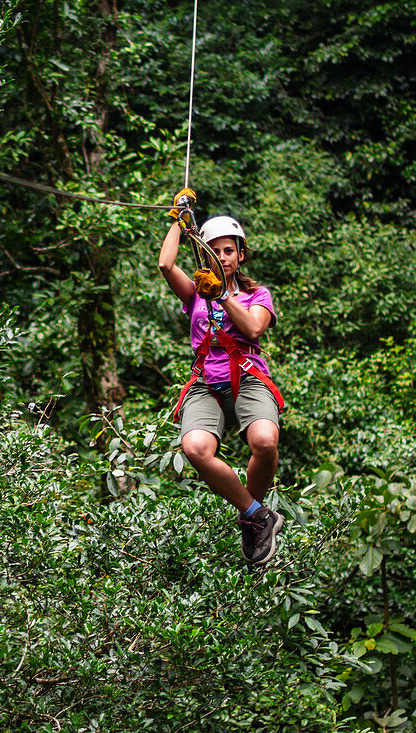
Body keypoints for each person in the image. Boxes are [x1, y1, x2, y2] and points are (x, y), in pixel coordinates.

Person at [157, 188, 285, 565]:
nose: (223, 256)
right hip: (204, 382)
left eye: (230, 250)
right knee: (195, 448)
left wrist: (224, 295)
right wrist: (180, 223)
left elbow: (254, 331)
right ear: (205, 252)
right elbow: (166, 266)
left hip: (247, 376)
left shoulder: (256, 295)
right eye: (216, 249)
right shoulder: (195, 293)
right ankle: (256, 515)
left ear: (240, 255)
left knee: (264, 441)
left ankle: (253, 517)